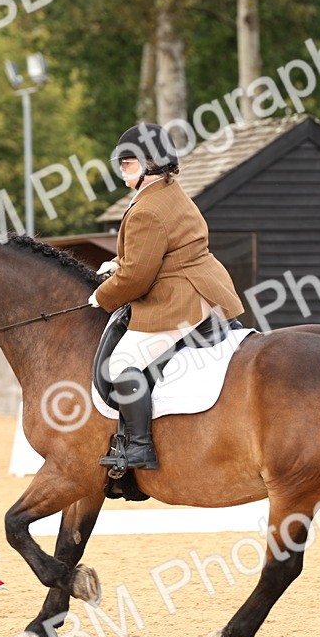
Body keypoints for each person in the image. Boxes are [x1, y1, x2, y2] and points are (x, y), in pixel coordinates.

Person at [89, 123, 245, 470]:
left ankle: (140, 448)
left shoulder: (147, 209)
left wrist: (101, 297)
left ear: (150, 164)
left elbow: (137, 278)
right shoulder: (170, 193)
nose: (121, 169)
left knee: (121, 364)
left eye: (128, 163)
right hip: (207, 289)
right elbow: (157, 252)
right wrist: (116, 264)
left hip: (180, 302)